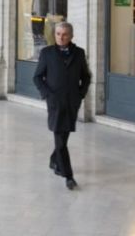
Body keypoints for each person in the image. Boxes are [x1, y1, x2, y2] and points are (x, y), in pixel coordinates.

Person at [33, 22, 91, 190]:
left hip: (72, 102)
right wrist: (47, 95)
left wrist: (80, 94)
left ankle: (54, 160)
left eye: (64, 34)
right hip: (55, 103)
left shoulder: (79, 53)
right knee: (60, 140)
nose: (61, 37)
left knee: (63, 137)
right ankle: (68, 175)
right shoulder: (47, 53)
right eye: (58, 34)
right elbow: (37, 77)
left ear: (71, 36)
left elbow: (85, 77)